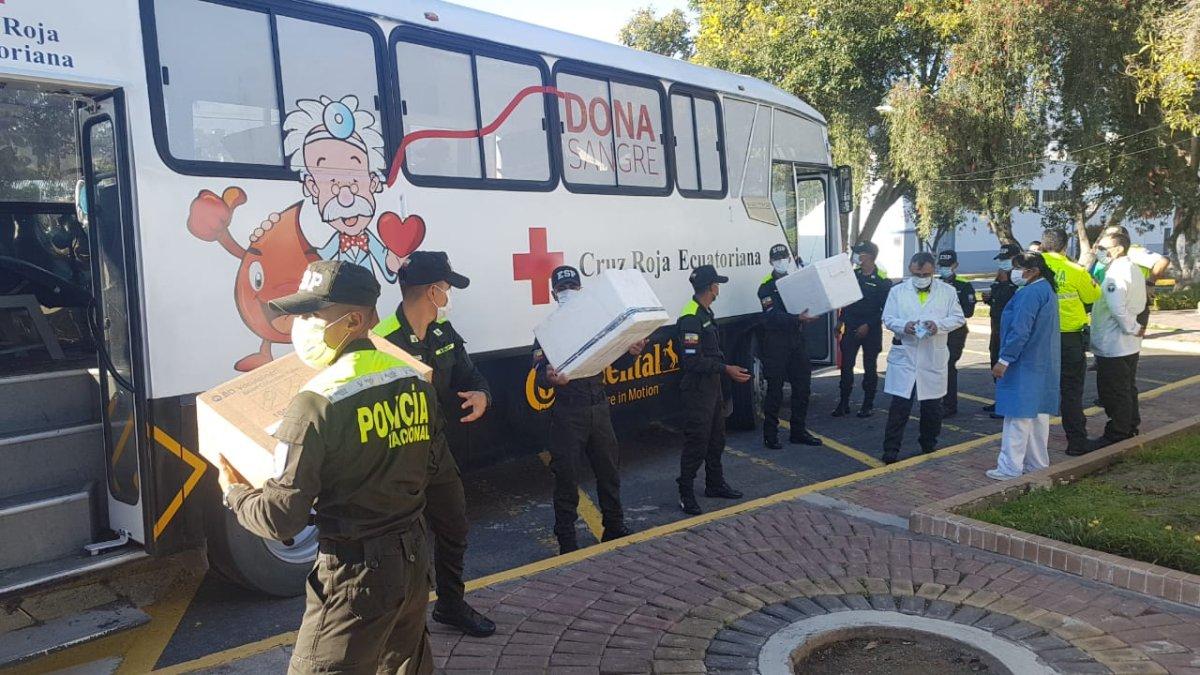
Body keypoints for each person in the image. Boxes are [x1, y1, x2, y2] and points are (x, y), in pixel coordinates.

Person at [217, 260, 437, 674]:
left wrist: (235, 492)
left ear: (354, 320)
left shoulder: (316, 401)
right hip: (413, 564)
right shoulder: (412, 380)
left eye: (310, 314)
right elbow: (438, 475)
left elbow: (281, 519)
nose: (300, 325)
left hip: (357, 577)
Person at [373, 251, 494, 637]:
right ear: (431, 291)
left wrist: (481, 396)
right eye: (446, 288)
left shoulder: (443, 333)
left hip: (436, 452)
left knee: (454, 525)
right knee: (403, 544)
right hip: (395, 459)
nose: (448, 295)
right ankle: (403, 621)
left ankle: (451, 605)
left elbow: (471, 375)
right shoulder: (381, 340)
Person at [533, 266, 639, 554]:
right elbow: (540, 369)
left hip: (598, 406)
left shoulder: (596, 323)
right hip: (568, 412)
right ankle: (567, 542)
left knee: (609, 472)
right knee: (566, 479)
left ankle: (614, 527)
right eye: (562, 289)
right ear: (554, 294)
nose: (567, 293)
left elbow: (616, 363)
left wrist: (631, 353)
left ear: (581, 290)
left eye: (572, 288)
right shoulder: (549, 330)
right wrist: (549, 377)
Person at [879, 252, 966, 464]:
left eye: (926, 273)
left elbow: (958, 318)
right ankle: (891, 450)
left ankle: (928, 444)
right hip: (906, 355)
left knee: (932, 408)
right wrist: (903, 326)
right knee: (899, 407)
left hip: (932, 355)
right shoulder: (897, 291)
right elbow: (888, 318)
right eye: (917, 273)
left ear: (933, 271)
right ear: (910, 270)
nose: (921, 277)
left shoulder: (947, 291)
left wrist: (939, 326)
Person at [676, 264, 750, 515]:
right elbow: (691, 361)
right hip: (697, 391)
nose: (719, 287)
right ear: (710, 288)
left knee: (716, 438)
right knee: (697, 441)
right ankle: (685, 493)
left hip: (711, 388)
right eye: (717, 284)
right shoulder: (691, 317)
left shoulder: (705, 312)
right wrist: (725, 369)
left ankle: (714, 484)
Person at [987, 252, 1061, 480]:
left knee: (1016, 417)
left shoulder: (1029, 294)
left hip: (1023, 363)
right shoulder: (1045, 289)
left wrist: (1004, 360)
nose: (1013, 273)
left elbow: (1020, 330)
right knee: (1038, 419)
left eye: (1017, 268)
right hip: (1041, 363)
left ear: (1033, 270)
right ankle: (1037, 465)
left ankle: (1010, 467)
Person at [1038, 229, 1101, 456]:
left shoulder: (1032, 267)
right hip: (1069, 339)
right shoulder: (1075, 270)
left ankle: (1032, 447)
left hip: (1039, 339)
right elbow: (1093, 296)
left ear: (1043, 245)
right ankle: (1076, 442)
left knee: (1037, 389)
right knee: (1071, 392)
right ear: (1065, 247)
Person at [758, 244, 823, 449]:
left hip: (796, 340)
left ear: (790, 258)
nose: (781, 261)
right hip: (776, 343)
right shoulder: (766, 287)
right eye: (777, 259)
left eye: (784, 257)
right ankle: (771, 434)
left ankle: (798, 431)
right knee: (775, 390)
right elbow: (772, 316)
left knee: (803, 387)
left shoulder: (796, 281)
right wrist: (797, 318)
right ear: (770, 262)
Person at [1088, 230, 1147, 451]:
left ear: (1119, 248)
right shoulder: (1131, 268)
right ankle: (1130, 424)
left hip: (1115, 342)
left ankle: (1117, 432)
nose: (1099, 252)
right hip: (1127, 343)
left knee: (1113, 390)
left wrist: (1132, 328)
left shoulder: (1117, 273)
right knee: (1127, 387)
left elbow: (1116, 307)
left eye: (1104, 248)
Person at [834, 241, 892, 418]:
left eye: (860, 253)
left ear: (869, 256)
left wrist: (868, 325)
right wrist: (840, 321)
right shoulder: (854, 275)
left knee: (869, 367)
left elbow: (885, 309)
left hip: (871, 330)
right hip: (851, 326)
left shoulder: (883, 280)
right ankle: (843, 403)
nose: (857, 257)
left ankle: (867, 404)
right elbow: (848, 301)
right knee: (846, 367)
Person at [982, 243, 1020, 418]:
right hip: (996, 325)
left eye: (1007, 260)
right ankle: (1001, 399)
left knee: (1006, 364)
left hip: (1009, 327)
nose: (1003, 263)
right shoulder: (1000, 277)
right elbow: (997, 299)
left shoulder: (1019, 279)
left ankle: (1008, 403)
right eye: (1002, 260)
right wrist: (989, 299)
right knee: (995, 359)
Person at [936, 250, 977, 417]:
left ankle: (949, 405)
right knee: (937, 367)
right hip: (938, 331)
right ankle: (937, 400)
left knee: (948, 366)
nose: (944, 269)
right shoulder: (935, 284)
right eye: (942, 265)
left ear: (955, 265)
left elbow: (968, 311)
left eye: (948, 265)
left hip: (956, 332)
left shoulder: (963, 285)